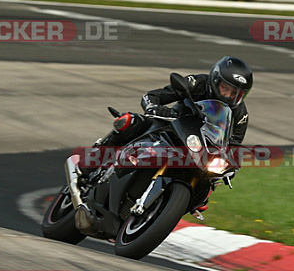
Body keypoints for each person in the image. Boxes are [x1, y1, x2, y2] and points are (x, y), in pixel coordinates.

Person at [69, 57, 253, 226]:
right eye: (225, 88)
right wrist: (155, 108)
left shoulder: (240, 114)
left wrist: (231, 164)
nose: (228, 95)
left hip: (199, 148)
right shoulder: (198, 83)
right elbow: (153, 96)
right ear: (214, 80)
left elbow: (233, 145)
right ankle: (91, 163)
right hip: (171, 126)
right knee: (129, 121)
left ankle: (160, 211)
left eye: (235, 93)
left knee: (210, 179)